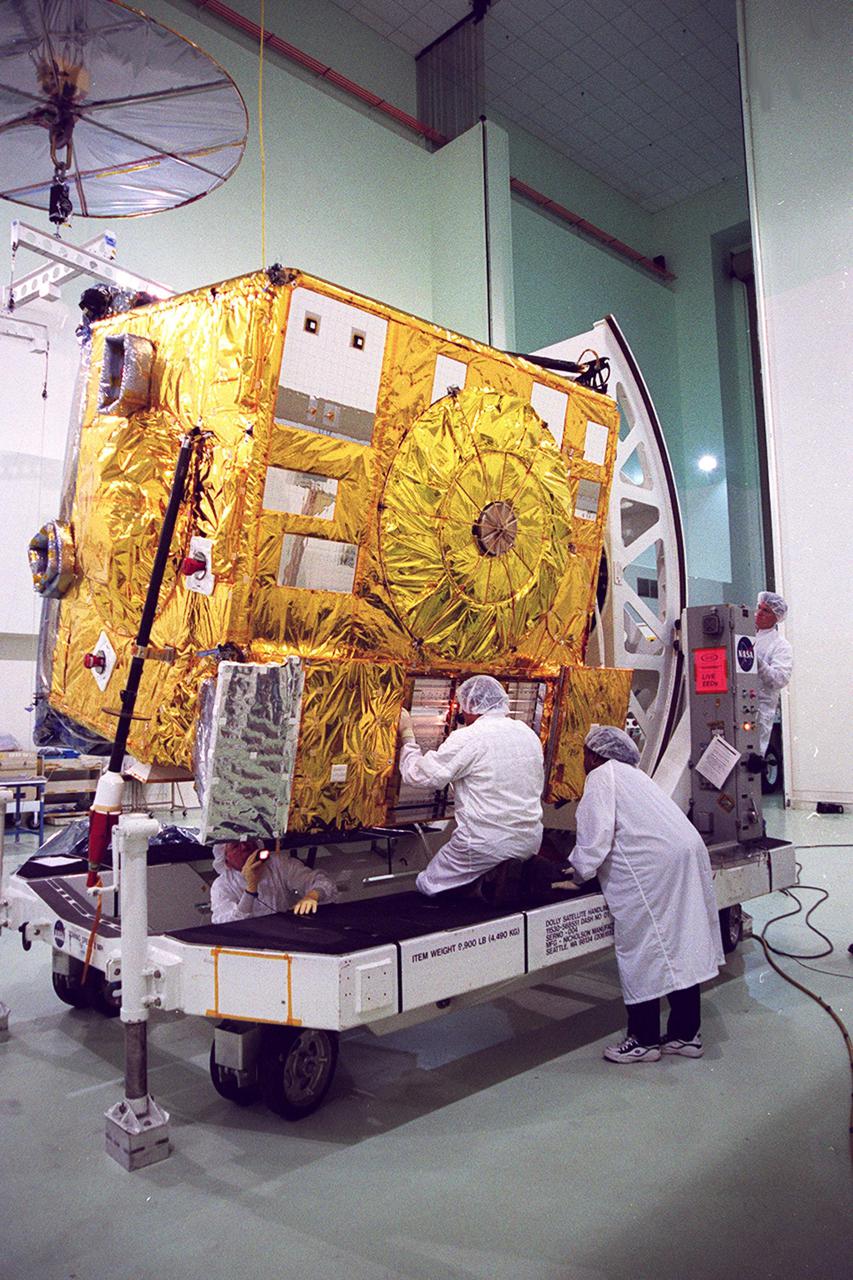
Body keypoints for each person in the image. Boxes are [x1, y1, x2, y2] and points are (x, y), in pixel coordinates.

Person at [569, 725, 724, 1064]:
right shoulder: (636, 776)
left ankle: (643, 1040)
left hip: (652, 869)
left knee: (643, 948)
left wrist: (578, 874)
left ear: (595, 755)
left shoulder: (602, 776)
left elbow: (595, 837)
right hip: (684, 856)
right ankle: (686, 1035)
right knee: (681, 943)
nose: (581, 761)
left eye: (583, 754)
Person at [398, 674, 544, 898]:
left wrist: (408, 738)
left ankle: (477, 893)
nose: (462, 714)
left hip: (484, 844)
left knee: (428, 885)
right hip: (529, 841)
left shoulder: (470, 737)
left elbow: (422, 776)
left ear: (472, 706)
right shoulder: (527, 733)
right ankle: (488, 885)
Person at [210, 839, 337, 924]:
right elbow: (226, 922)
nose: (244, 847)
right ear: (226, 861)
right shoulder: (222, 885)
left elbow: (321, 881)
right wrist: (250, 889)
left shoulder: (279, 864)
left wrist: (312, 895)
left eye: (248, 840)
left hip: (288, 934)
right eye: (235, 846)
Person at [754, 591, 793, 756]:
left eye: (766, 610)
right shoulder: (744, 633)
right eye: (759, 607)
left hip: (759, 712)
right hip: (731, 706)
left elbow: (780, 679)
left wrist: (758, 663)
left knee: (751, 756)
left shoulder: (780, 645)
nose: (759, 613)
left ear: (776, 617)